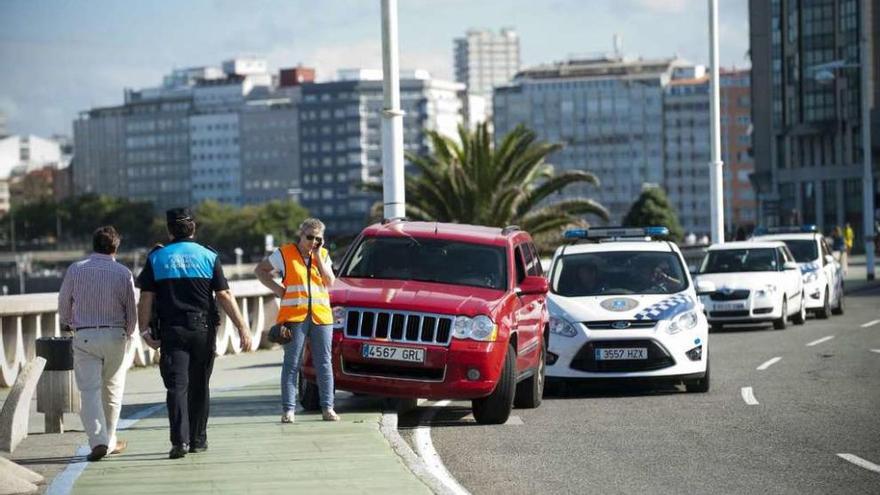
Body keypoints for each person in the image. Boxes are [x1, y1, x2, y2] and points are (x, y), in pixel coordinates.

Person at [137, 208, 252, 459]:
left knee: (177, 387)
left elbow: (146, 296)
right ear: (194, 228)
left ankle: (180, 442)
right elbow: (224, 295)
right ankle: (199, 439)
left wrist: (144, 329)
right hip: (203, 329)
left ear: (169, 231)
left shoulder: (157, 258)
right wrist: (242, 327)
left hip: (172, 331)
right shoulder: (208, 255)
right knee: (199, 385)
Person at [58, 226, 136, 462]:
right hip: (115, 335)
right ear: (115, 247)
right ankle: (110, 440)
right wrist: (129, 333)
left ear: (93, 245)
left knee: (89, 392)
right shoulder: (123, 273)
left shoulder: (76, 269)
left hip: (85, 335)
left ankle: (98, 441)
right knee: (112, 391)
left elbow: (64, 300)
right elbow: (131, 310)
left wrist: (66, 322)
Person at [254, 218, 339, 423]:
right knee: (292, 363)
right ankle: (288, 410)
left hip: (321, 317)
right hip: (294, 316)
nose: (313, 242)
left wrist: (318, 256)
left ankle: (328, 408)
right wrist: (278, 290)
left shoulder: (323, 255)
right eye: (309, 237)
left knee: (324, 363)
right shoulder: (284, 254)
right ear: (301, 235)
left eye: (318, 238)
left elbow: (331, 282)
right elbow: (260, 270)